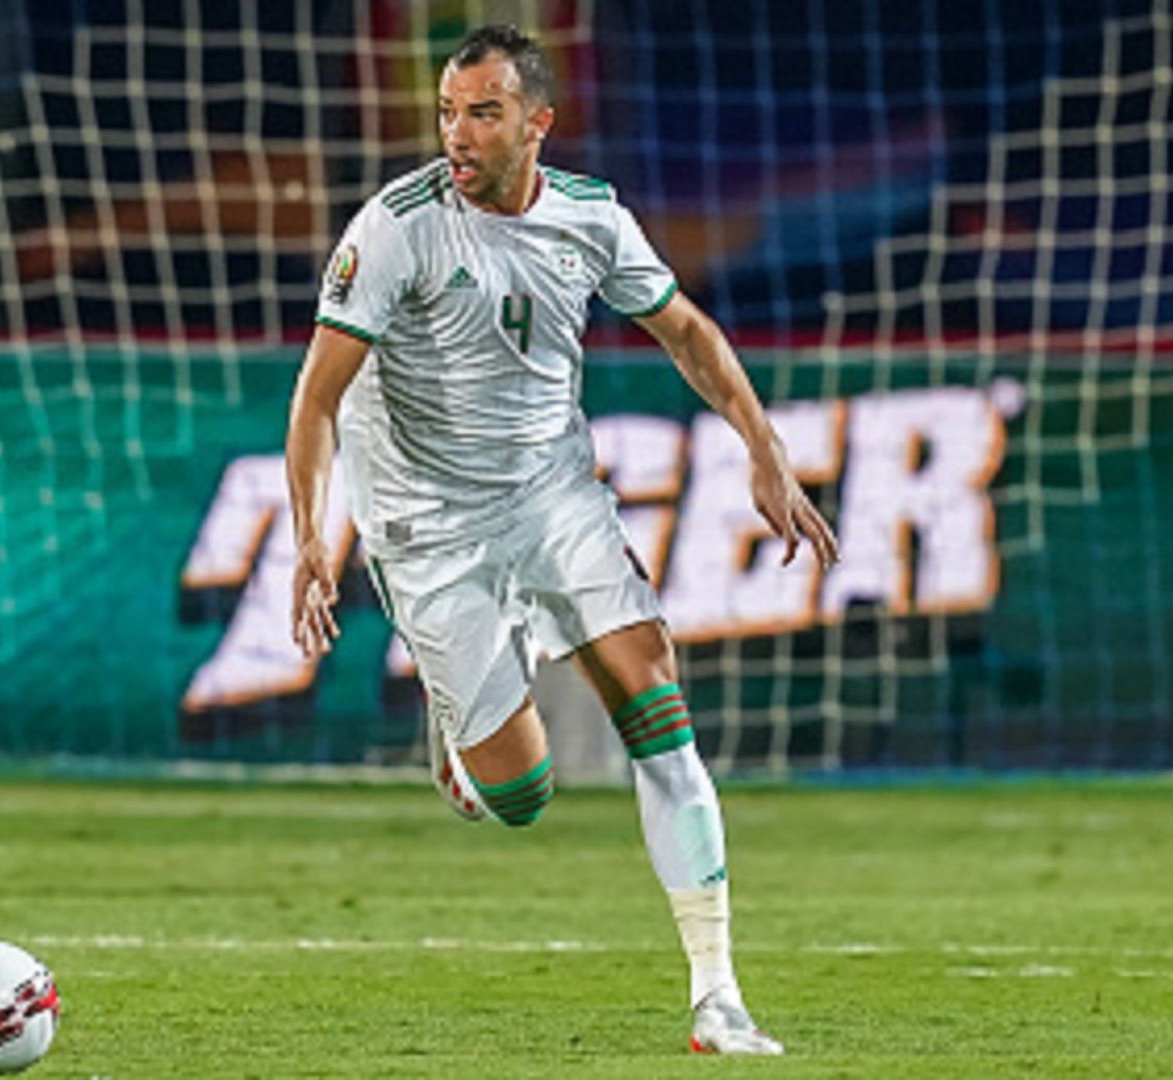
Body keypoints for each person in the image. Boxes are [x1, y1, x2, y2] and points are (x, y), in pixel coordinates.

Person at [284, 24, 837, 1056]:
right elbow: (318, 397)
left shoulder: (592, 218)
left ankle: (717, 998)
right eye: (449, 111)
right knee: (522, 796)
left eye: (483, 112)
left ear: (538, 122)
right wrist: (316, 535)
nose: (458, 132)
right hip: (427, 526)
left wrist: (763, 449)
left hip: (553, 500)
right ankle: (466, 744)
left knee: (658, 711)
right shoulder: (395, 227)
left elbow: (688, 333)